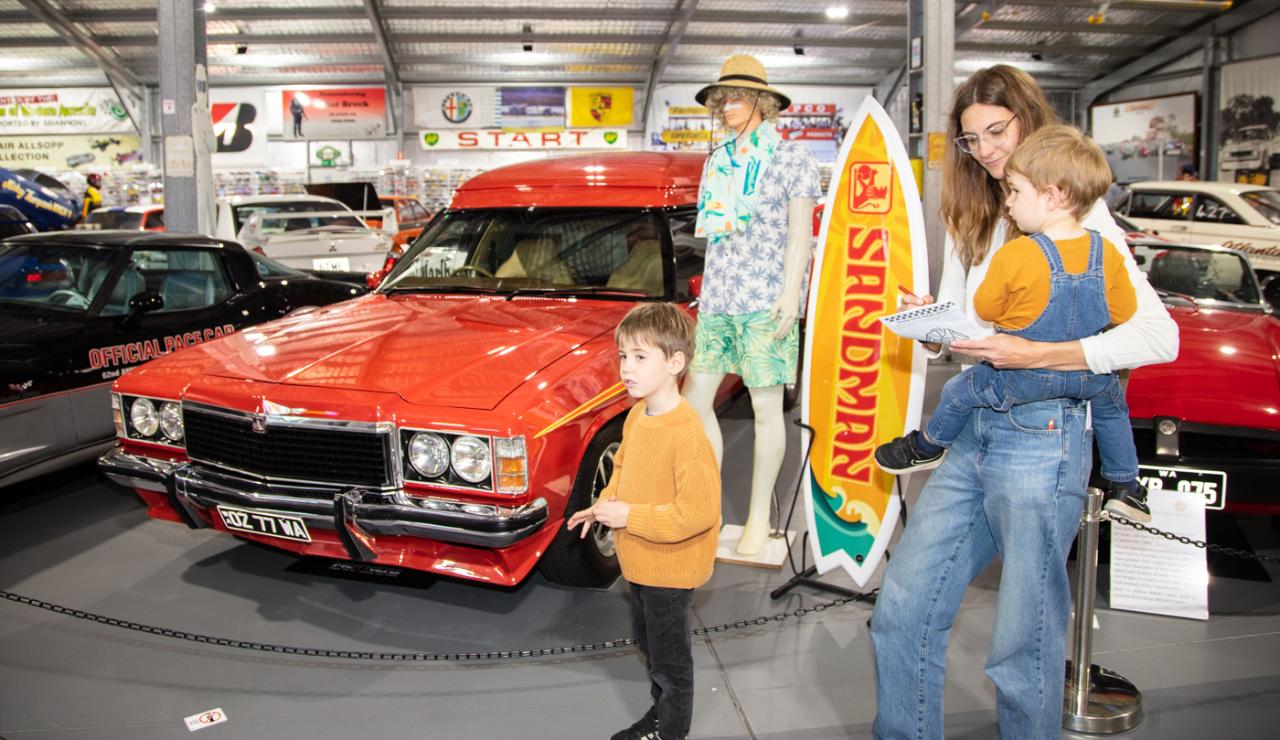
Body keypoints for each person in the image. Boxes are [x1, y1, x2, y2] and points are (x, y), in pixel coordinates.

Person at [869, 65, 1178, 740]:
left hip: (1046, 437)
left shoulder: (1080, 217)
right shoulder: (978, 214)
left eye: (996, 131)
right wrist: (931, 324)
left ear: (1028, 120)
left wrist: (1040, 354)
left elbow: (1158, 335)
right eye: (970, 138)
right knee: (901, 610)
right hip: (974, 427)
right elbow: (969, 331)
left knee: (1023, 644)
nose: (984, 150)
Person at [874, 124, 1151, 523]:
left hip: (1022, 379)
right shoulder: (1105, 251)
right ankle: (1125, 486)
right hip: (1086, 378)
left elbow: (985, 309)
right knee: (1112, 410)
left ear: (1052, 197)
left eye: (1016, 192)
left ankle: (929, 444)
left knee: (961, 389)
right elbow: (1123, 312)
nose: (1008, 203)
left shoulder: (1018, 253)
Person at [683, 54, 822, 556]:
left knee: (766, 408)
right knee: (695, 403)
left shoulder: (791, 159)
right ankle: (711, 506)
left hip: (766, 298)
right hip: (720, 297)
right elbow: (714, 239)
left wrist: (790, 295)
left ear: (763, 102)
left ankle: (760, 516)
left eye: (737, 97)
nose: (727, 107)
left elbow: (801, 236)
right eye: (722, 99)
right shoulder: (716, 161)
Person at [566, 302, 721, 740]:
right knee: (650, 647)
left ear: (675, 363)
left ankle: (670, 731)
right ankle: (660, 714)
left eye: (639, 356)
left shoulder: (687, 434)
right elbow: (622, 471)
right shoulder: (637, 415)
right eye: (623, 356)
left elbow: (697, 514)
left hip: (670, 570)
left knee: (671, 665)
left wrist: (628, 515)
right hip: (639, 561)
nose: (626, 367)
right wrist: (603, 504)